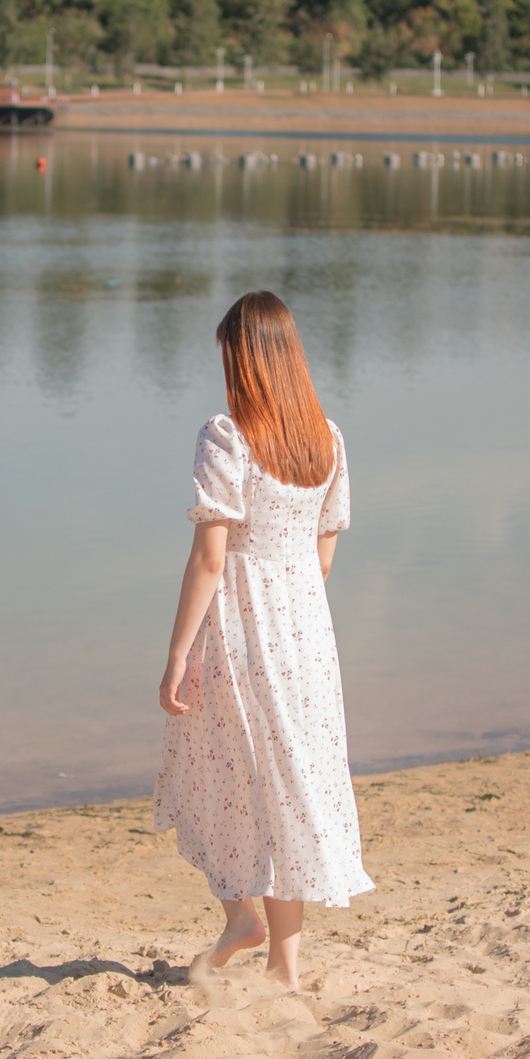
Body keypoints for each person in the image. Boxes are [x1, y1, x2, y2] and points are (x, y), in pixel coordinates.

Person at [156, 291, 372, 991]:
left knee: (211, 770)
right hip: (307, 629)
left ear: (243, 360)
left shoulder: (226, 436)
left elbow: (210, 558)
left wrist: (178, 652)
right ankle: (285, 963)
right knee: (291, 781)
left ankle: (239, 916)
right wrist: (294, 606)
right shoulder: (327, 439)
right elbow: (325, 554)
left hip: (242, 626)